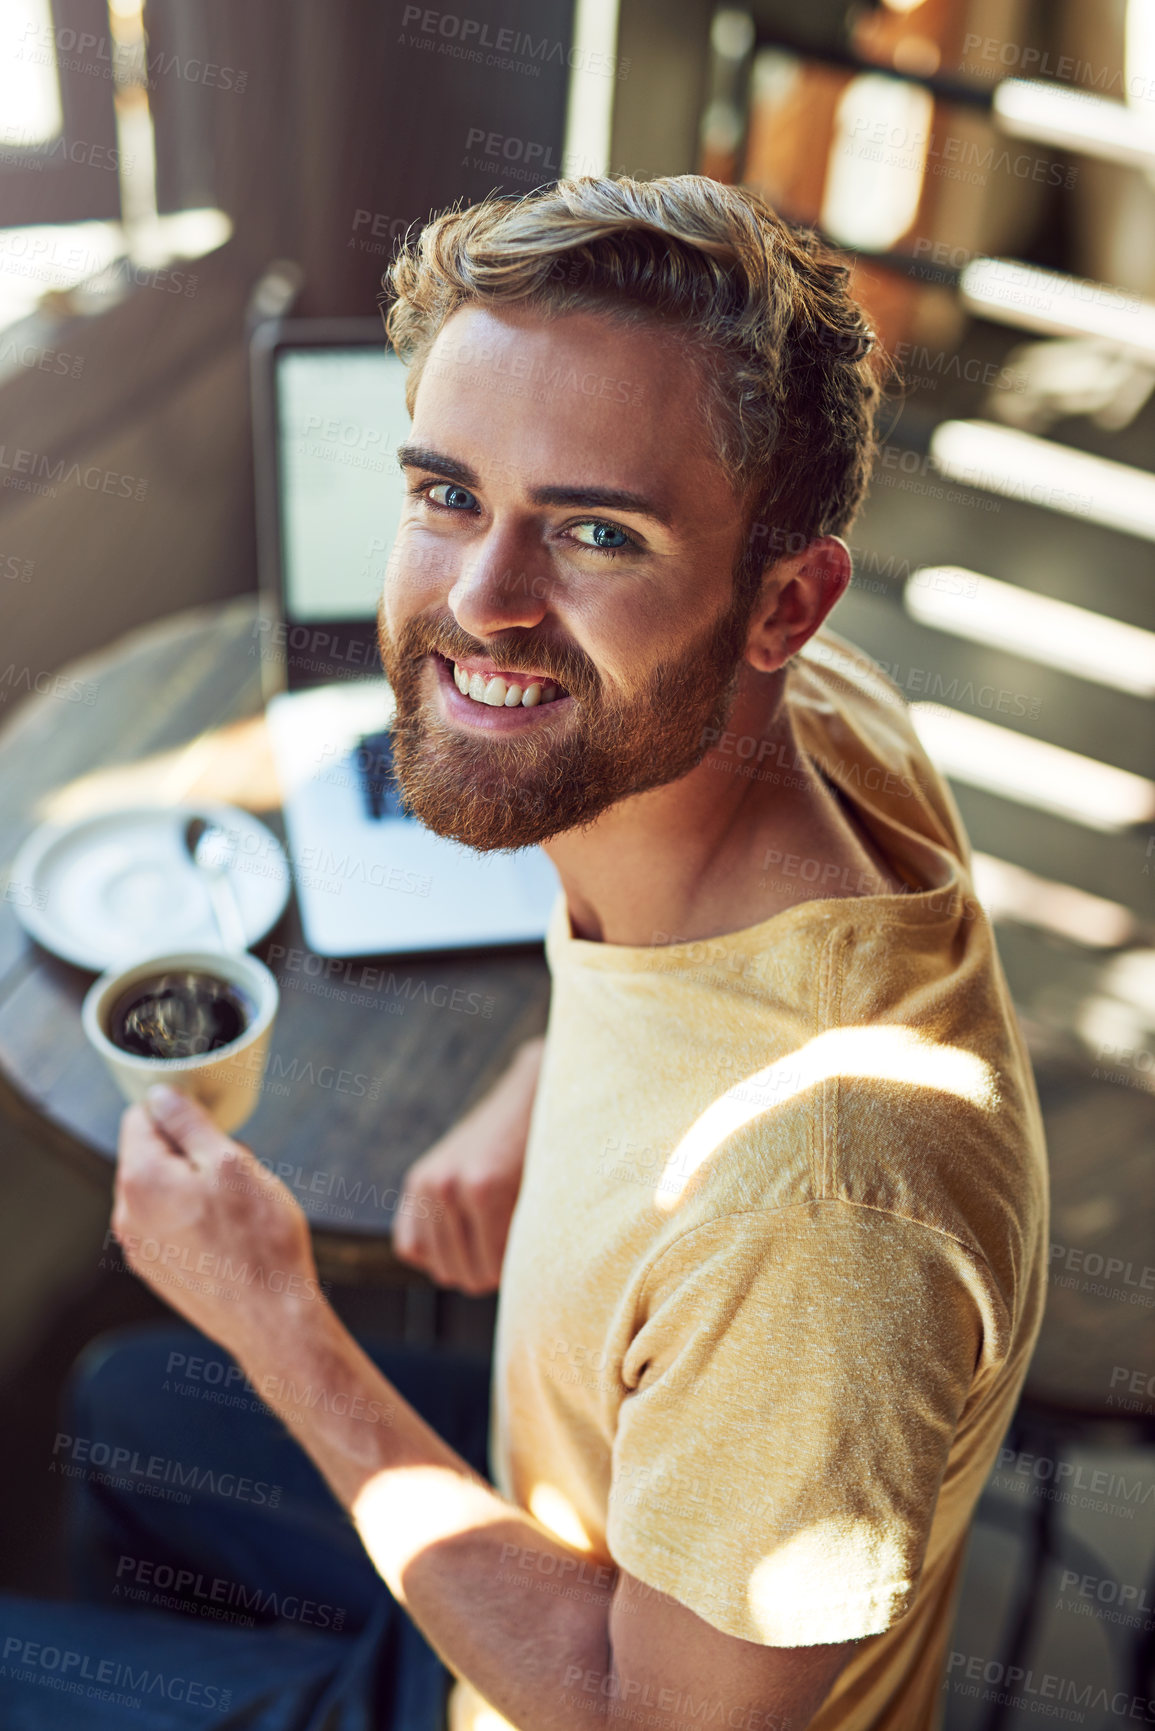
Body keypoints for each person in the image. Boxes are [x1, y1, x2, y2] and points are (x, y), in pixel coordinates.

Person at [0, 174, 1047, 1731]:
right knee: (119, 1402)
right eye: (446, 494)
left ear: (785, 604)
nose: (481, 607)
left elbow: (649, 1720)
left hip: (575, 1692)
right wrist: (544, 1074)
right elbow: (704, 992)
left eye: (597, 534)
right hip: (557, 1511)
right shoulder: (809, 734)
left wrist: (282, 1323)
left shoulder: (825, 1212)